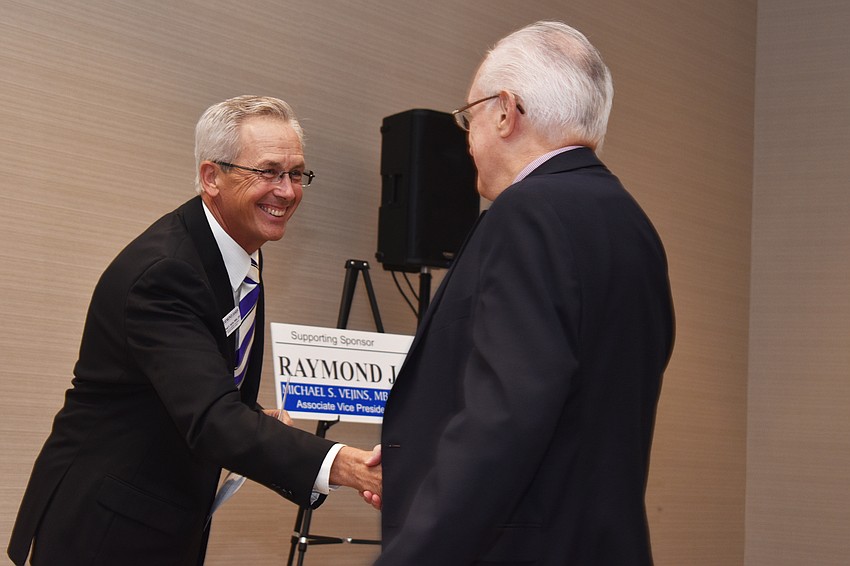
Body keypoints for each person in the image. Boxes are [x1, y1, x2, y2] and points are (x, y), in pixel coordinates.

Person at [8, 95, 381, 566]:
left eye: (295, 173)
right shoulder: (165, 272)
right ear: (211, 177)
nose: (287, 191)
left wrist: (251, 418)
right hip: (105, 527)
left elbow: (205, 398)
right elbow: (212, 420)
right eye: (267, 172)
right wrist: (348, 466)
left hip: (161, 515)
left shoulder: (238, 251)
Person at [369, 21, 675, 565]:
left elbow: (503, 418)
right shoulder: (633, 224)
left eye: (470, 116)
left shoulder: (526, 213)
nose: (467, 138)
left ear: (506, 111)